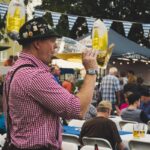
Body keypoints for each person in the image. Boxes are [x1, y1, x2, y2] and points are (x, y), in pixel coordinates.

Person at [2, 17, 99, 150]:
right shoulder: (35, 75)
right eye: (52, 41)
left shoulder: (15, 70)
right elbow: (78, 109)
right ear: (37, 44)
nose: (56, 46)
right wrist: (91, 71)